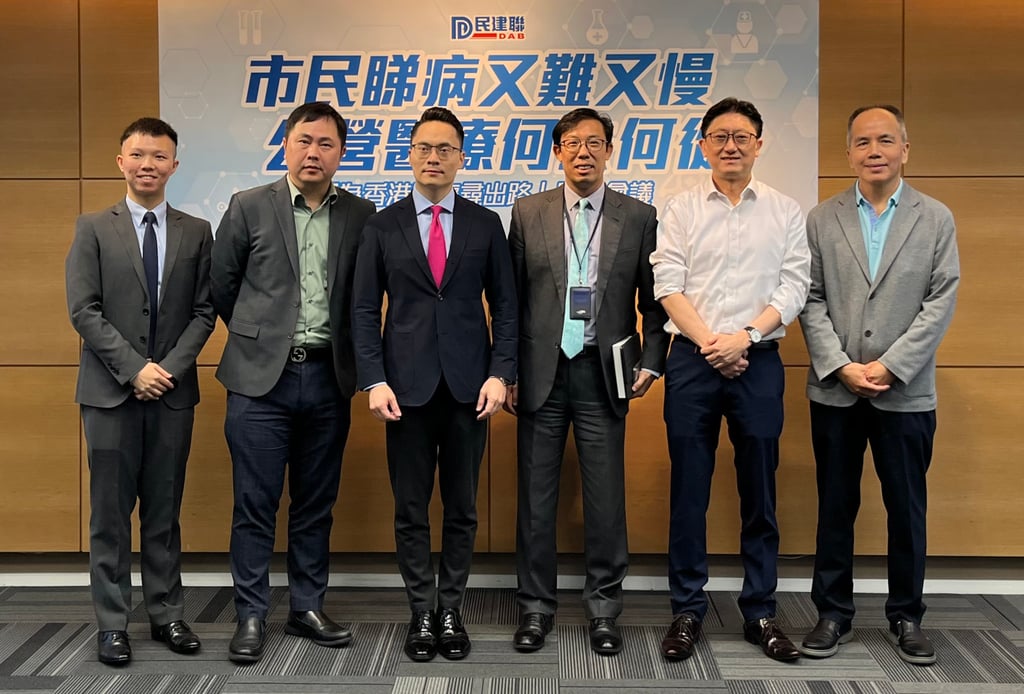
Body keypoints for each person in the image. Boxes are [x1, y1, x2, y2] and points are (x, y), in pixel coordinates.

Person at [210, 101, 376, 664]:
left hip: (328, 378)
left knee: (315, 502)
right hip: (261, 382)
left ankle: (306, 605)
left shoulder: (360, 213)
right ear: (285, 145)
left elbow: (362, 296)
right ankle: (251, 614)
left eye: (326, 144)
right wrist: (263, 339)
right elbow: (222, 286)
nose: (314, 152)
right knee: (254, 502)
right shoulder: (248, 206)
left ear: (341, 154)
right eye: (305, 141)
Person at [352, 107, 517, 662]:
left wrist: (501, 373)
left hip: (472, 389)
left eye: (445, 149)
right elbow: (361, 310)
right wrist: (372, 379)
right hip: (404, 390)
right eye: (424, 147)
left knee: (463, 507)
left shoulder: (484, 222)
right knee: (411, 507)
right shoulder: (382, 224)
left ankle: (452, 608)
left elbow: (508, 308)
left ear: (461, 158)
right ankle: (421, 611)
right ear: (410, 154)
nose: (433, 157)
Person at [798, 105, 959, 666]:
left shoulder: (935, 217)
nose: (874, 150)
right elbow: (810, 298)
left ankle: (906, 615)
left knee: (905, 506)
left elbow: (941, 300)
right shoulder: (821, 218)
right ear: (848, 153)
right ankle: (832, 613)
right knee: (835, 505)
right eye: (863, 141)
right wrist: (841, 365)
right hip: (837, 389)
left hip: (906, 392)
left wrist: (891, 366)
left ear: (905, 150)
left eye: (885, 140)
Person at [650, 97, 810, 662]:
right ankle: (687, 612)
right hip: (692, 361)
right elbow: (667, 283)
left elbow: (793, 287)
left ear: (760, 144)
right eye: (718, 136)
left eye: (742, 136)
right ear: (702, 145)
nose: (730, 145)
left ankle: (760, 611)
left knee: (759, 492)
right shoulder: (680, 208)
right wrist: (712, 343)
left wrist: (743, 337)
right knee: (689, 492)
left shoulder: (786, 211)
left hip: (758, 361)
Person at [506, 107, 670, 656]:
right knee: (536, 498)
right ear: (557, 152)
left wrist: (652, 359)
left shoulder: (638, 215)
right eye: (572, 143)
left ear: (609, 151)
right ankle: (534, 608)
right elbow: (510, 302)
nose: (583, 152)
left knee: (605, 499)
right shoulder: (527, 213)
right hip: (541, 372)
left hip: (605, 373)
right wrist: (504, 371)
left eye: (594, 143)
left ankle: (604, 609)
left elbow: (652, 299)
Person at [66, 117, 215, 665]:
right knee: (109, 513)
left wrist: (166, 370)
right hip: (108, 393)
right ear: (120, 161)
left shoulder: (198, 230)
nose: (147, 164)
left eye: (159, 156)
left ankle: (167, 613)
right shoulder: (92, 227)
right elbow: (84, 310)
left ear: (175, 165)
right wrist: (135, 369)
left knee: (163, 509)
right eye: (137, 154)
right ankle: (111, 622)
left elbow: (204, 311)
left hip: (171, 394)